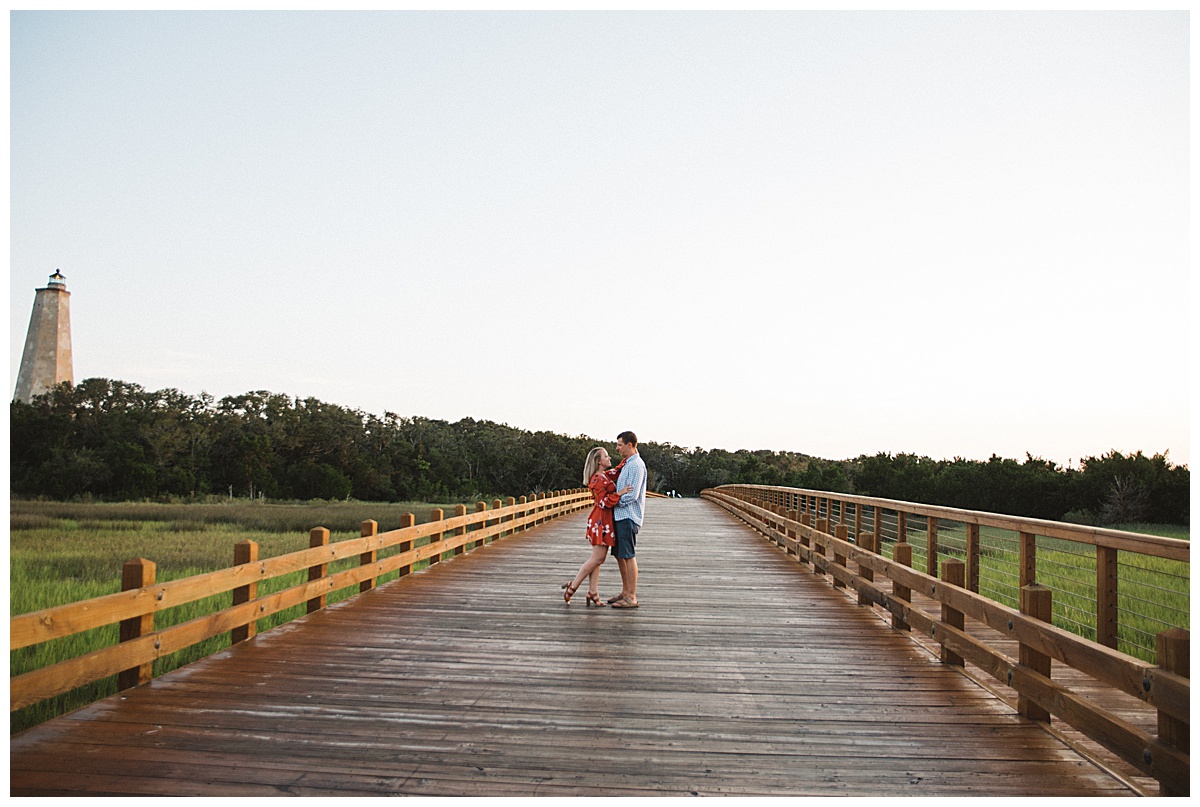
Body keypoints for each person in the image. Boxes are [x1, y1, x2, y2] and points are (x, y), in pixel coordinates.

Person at [562, 447, 631, 606]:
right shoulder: (597, 480)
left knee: (597, 559)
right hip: (600, 521)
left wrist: (628, 459)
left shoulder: (604, 475)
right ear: (599, 461)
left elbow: (616, 471)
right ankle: (573, 586)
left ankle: (593, 592)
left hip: (604, 520)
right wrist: (620, 493)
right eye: (606, 456)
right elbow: (603, 502)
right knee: (598, 558)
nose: (609, 458)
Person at [609, 430, 647, 608]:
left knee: (628, 555)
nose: (617, 448)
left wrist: (613, 501)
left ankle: (631, 597)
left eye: (619, 444)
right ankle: (625, 591)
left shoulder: (636, 465)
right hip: (620, 516)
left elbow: (633, 495)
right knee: (619, 555)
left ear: (629, 445)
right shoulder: (627, 464)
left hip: (628, 516)